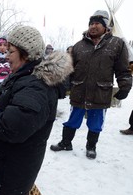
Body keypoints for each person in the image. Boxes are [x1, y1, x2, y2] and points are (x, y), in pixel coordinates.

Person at [0, 25, 73, 195]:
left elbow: (11, 127)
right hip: (11, 162)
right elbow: (11, 103)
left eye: (11, 51)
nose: (6, 55)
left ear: (27, 53)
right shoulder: (25, 76)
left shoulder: (35, 87)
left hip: (14, 167)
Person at [50, 10, 132, 159]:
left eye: (97, 23)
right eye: (91, 23)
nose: (93, 26)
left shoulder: (117, 44)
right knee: (72, 120)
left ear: (106, 26)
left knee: (95, 123)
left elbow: (122, 69)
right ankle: (66, 142)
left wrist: (125, 86)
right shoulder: (78, 46)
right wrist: (63, 87)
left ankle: (91, 147)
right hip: (79, 91)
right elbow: (69, 69)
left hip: (100, 93)